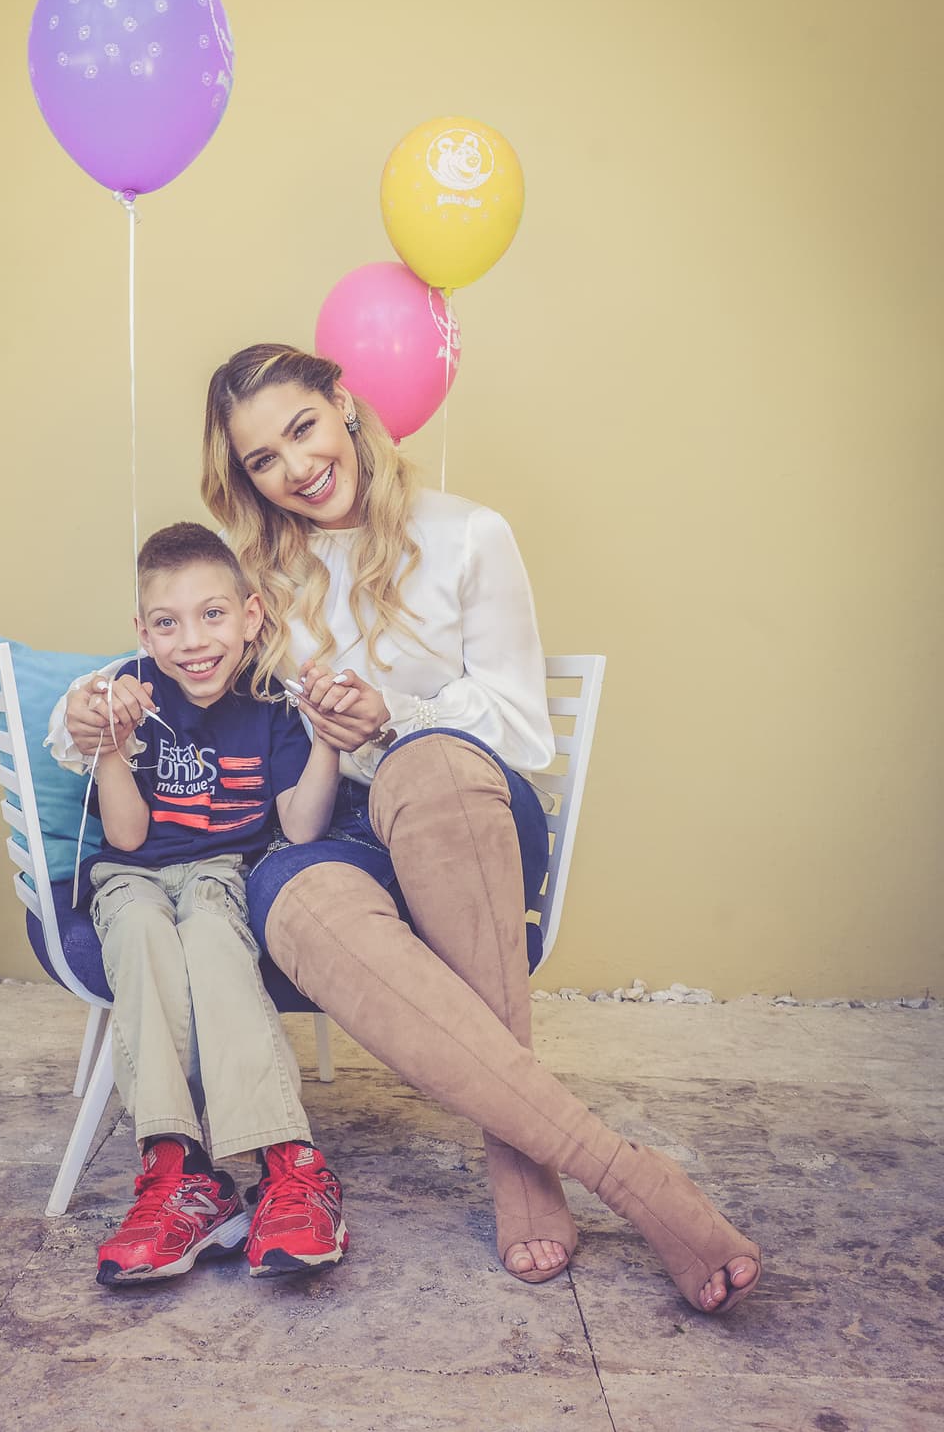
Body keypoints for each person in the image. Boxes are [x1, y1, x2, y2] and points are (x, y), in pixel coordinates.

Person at [66, 344, 761, 1315]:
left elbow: (521, 723)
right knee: (292, 895)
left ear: (341, 406)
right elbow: (186, 682)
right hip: (334, 823)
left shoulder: (469, 533)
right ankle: (628, 1172)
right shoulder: (258, 574)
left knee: (425, 767)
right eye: (261, 458)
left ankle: (523, 1169)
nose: (294, 466)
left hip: (460, 805)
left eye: (301, 427)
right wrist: (96, 720)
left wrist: (391, 714)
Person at [47, 521, 348, 1286]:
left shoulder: (273, 702)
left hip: (220, 873)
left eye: (213, 615)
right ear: (142, 632)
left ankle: (290, 1162)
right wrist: (110, 745)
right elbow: (125, 832)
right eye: (167, 623)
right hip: (132, 876)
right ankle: (181, 1173)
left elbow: (302, 825)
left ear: (251, 615)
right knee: (144, 931)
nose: (192, 641)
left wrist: (327, 739)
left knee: (214, 938)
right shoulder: (127, 692)